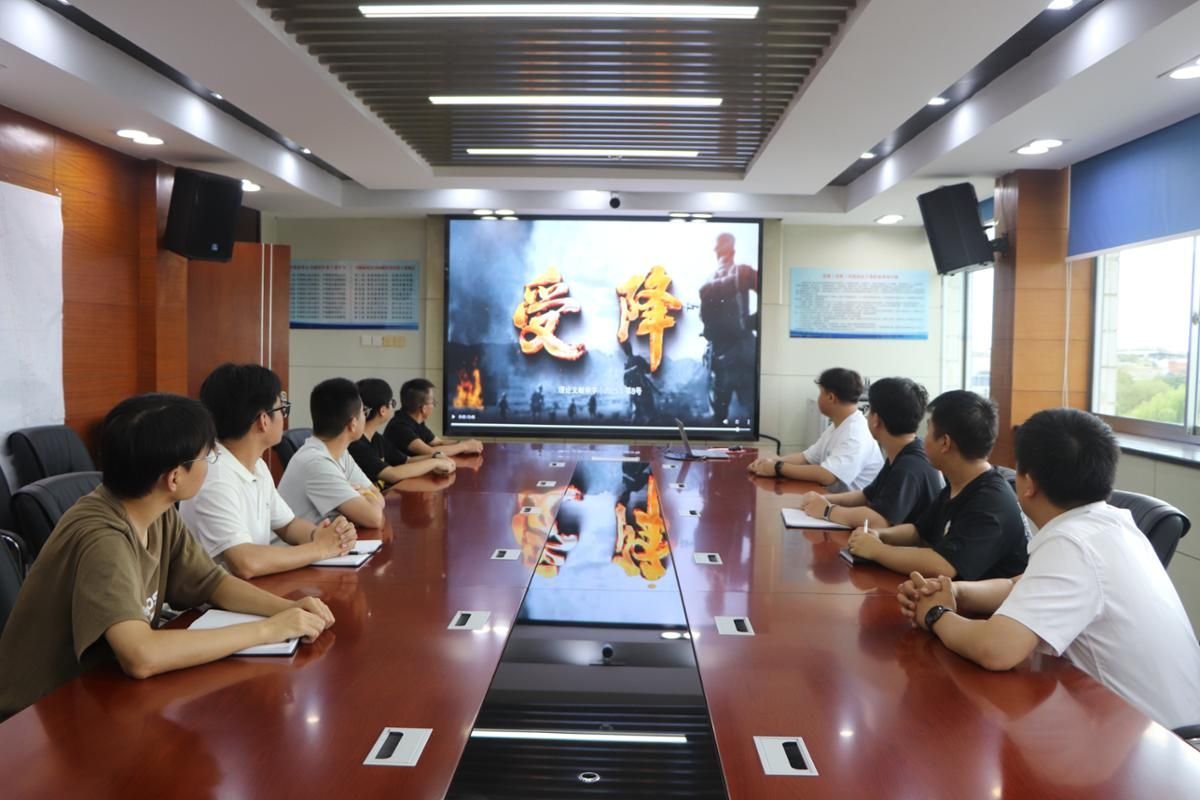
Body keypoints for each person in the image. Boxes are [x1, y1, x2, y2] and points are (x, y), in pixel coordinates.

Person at [0, 394, 334, 719]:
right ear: (174, 477)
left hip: (100, 691)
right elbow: (141, 655)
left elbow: (211, 582)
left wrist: (287, 609)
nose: (211, 464)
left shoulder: (155, 510)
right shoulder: (102, 538)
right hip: (38, 716)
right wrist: (267, 630)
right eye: (206, 458)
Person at [898, 408, 1200, 730]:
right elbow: (1020, 586)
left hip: (1166, 742)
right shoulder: (1111, 524)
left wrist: (936, 614)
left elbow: (996, 649)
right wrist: (954, 592)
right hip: (1153, 725)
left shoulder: (1073, 543)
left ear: (1028, 484)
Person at [180, 364, 358, 579]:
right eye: (282, 409)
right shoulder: (214, 476)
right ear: (264, 420)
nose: (284, 417)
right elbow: (245, 562)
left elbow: (288, 525)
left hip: (253, 589)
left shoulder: (257, 465)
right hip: (215, 598)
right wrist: (319, 548)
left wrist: (323, 535)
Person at [846, 390, 1027, 580]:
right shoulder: (959, 483)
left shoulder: (991, 501)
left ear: (945, 443)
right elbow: (920, 532)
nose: (923, 440)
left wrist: (878, 551)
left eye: (929, 430)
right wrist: (879, 535)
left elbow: (944, 566)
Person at [796, 377, 943, 529]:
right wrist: (824, 499)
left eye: (869, 410)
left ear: (876, 420)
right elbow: (866, 496)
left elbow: (878, 521)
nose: (866, 415)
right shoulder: (903, 452)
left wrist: (827, 511)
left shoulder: (910, 466)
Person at [749, 368, 883, 491]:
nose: (818, 398)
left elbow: (827, 475)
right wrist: (771, 462)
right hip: (834, 499)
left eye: (820, 393)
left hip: (853, 507)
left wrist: (778, 468)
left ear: (831, 397)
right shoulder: (838, 425)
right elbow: (807, 457)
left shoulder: (855, 433)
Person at [278, 378, 386, 529]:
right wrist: (368, 497)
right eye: (364, 412)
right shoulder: (316, 463)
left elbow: (377, 494)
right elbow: (374, 518)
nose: (365, 417)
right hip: (299, 544)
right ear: (352, 424)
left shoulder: (341, 454)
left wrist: (369, 497)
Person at [349, 378, 456, 487]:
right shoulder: (356, 445)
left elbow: (407, 460)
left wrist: (435, 457)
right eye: (392, 403)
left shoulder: (376, 438)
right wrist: (435, 462)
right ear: (382, 410)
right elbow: (392, 474)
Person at [699, 232, 758, 423]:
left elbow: (768, 293)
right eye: (719, 251)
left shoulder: (743, 273)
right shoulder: (710, 281)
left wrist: (751, 322)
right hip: (722, 356)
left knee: (750, 411)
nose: (720, 255)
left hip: (742, 354)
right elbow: (704, 318)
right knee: (719, 414)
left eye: (722, 250)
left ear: (731, 251)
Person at [384, 378, 483, 457]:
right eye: (433, 402)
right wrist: (464, 446)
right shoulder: (400, 427)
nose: (434, 405)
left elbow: (438, 443)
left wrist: (465, 443)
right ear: (424, 408)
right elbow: (430, 452)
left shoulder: (415, 421)